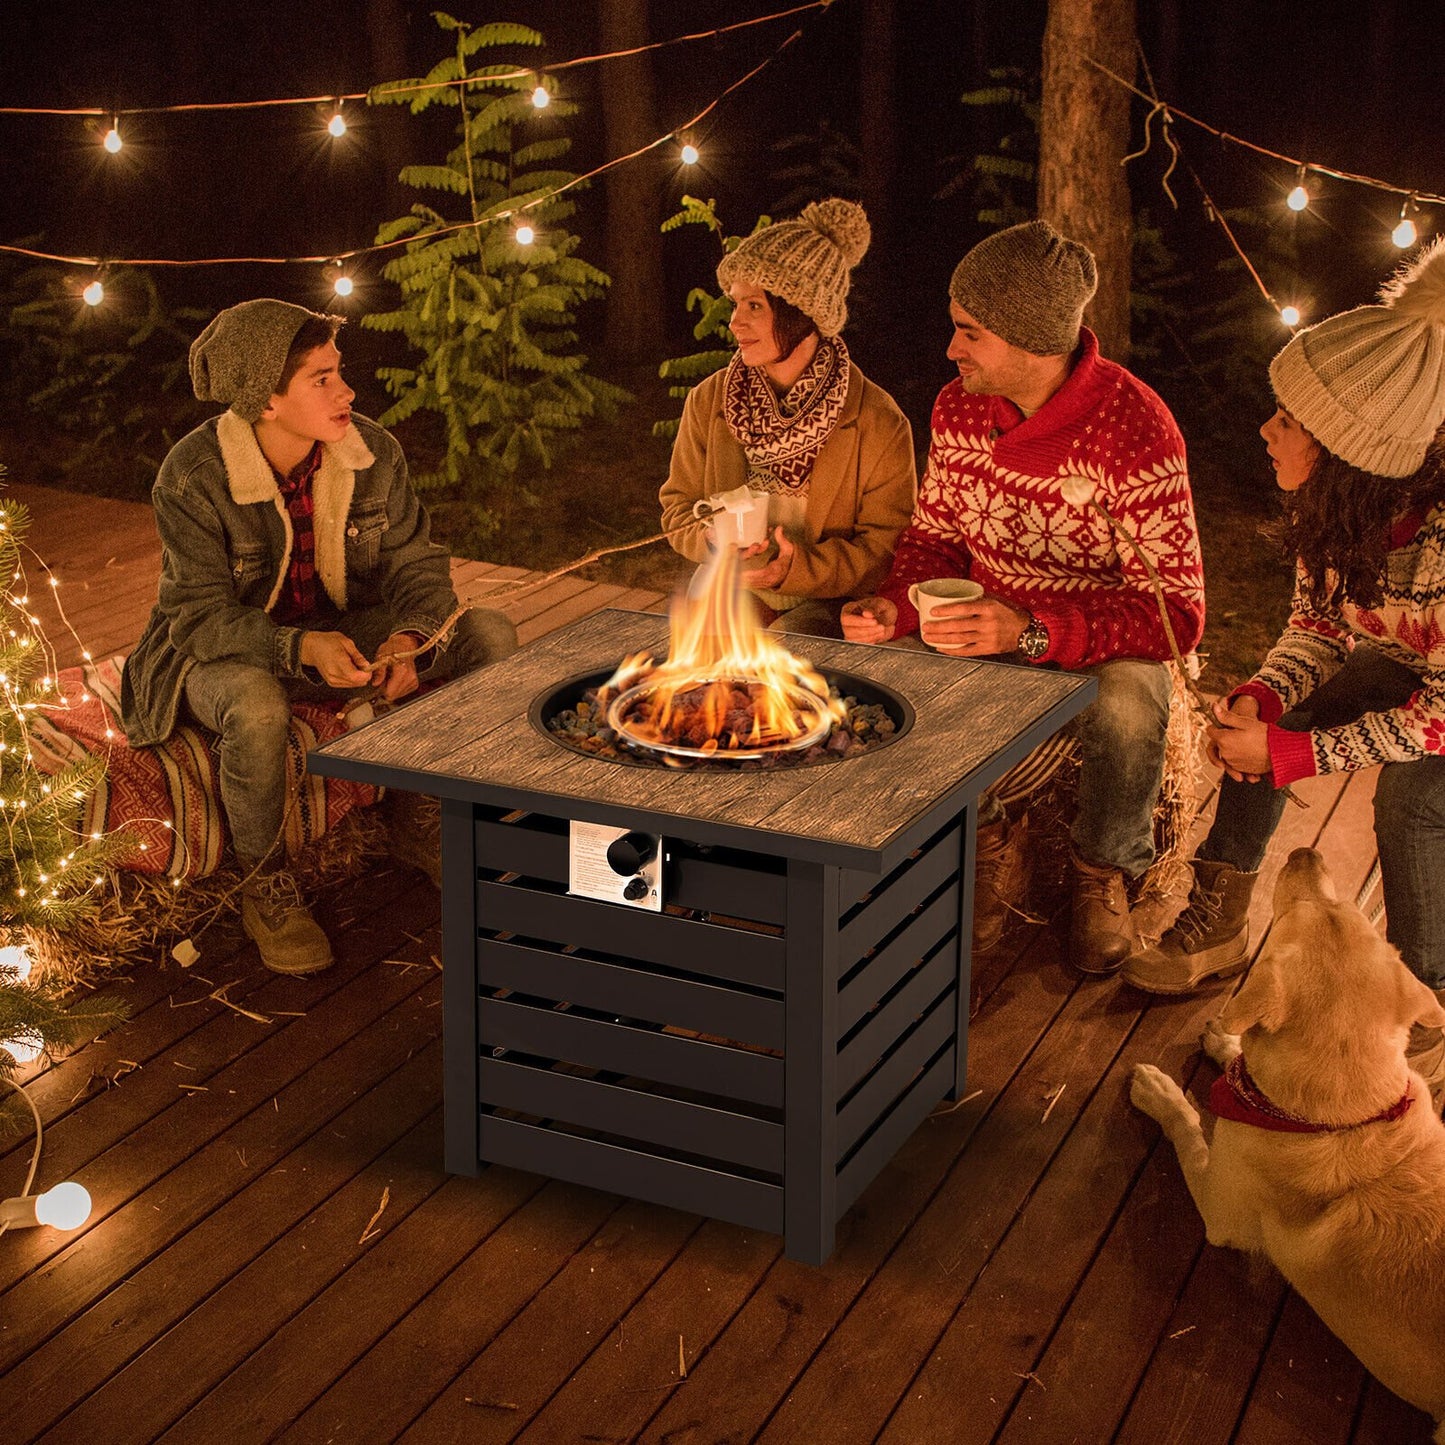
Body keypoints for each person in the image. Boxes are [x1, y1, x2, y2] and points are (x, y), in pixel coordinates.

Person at [1124, 239, 1445, 1101]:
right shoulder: (1336, 509)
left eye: (1289, 422)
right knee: (1280, 724)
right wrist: (1264, 698)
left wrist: (1294, 760)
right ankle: (1221, 917)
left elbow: (1440, 719)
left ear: (1348, 451)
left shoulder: (1442, 543)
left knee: (1416, 796)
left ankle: (1425, 1009)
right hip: (1417, 665)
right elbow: (1316, 625)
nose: (1266, 429)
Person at [842, 220, 1206, 976]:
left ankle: (1100, 871)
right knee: (879, 696)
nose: (952, 349)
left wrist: (1034, 630)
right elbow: (935, 541)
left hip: (1090, 643)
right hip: (981, 625)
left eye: (969, 332)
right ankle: (970, 849)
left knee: (1134, 701)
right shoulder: (958, 410)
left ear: (1035, 340)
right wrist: (895, 606)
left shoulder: (1133, 429)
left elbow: (1174, 612)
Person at [121, 300, 517, 976]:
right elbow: (196, 614)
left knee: (489, 632)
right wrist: (297, 650)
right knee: (255, 704)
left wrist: (409, 636)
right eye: (322, 378)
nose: (348, 391)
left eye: (340, 372)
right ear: (265, 400)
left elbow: (416, 564)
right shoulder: (192, 476)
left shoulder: (370, 451)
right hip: (215, 649)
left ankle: (420, 811)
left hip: (333, 625)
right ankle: (262, 879)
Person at [659, 198, 916, 636]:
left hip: (827, 601)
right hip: (728, 589)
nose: (735, 321)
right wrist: (708, 539)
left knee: (786, 671)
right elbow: (677, 508)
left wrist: (794, 569)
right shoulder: (710, 401)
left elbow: (884, 548)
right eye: (736, 304)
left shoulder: (876, 420)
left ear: (803, 312)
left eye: (755, 306)